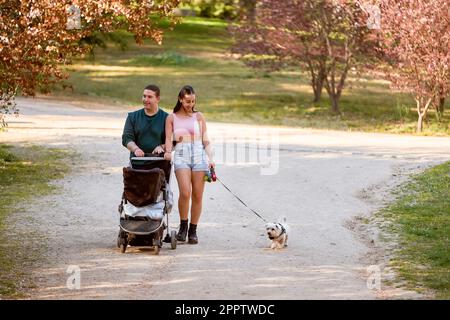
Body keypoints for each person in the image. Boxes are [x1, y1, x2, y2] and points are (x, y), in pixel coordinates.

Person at [164, 85, 214, 244]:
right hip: (181, 154)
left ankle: (193, 230)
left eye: (193, 101)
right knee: (185, 192)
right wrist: (166, 151)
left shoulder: (199, 116)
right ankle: (183, 226)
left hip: (199, 154)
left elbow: (206, 139)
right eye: (187, 101)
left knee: (198, 195)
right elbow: (168, 139)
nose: (190, 104)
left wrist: (210, 158)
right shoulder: (172, 118)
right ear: (180, 99)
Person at [122, 84, 168, 158]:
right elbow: (126, 138)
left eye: (149, 97)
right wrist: (136, 149)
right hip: (137, 161)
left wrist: (161, 147)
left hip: (160, 161)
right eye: (144, 96)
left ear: (158, 99)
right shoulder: (132, 117)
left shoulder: (167, 118)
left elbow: (173, 140)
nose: (146, 99)